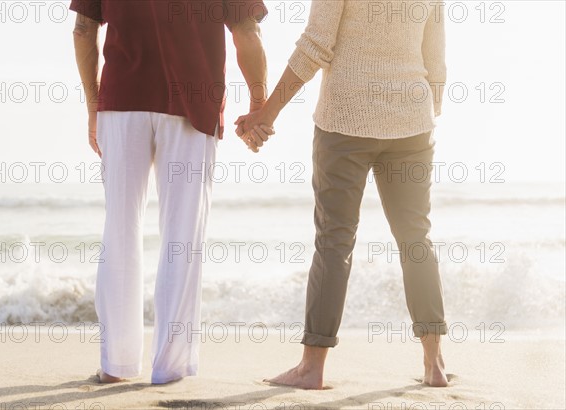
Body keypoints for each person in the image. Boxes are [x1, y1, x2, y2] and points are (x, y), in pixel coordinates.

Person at [236, 0, 449, 389]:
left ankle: (311, 367)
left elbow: (315, 46)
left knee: (335, 241)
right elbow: (435, 61)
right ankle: (434, 365)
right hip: (413, 127)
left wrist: (267, 114)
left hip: (346, 124)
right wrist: (420, 115)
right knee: (416, 238)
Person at [71, 0, 268, 384]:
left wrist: (94, 106)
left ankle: (117, 365)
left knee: (120, 231)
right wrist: (259, 103)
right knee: (183, 238)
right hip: (193, 104)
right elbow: (247, 31)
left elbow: (83, 29)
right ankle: (171, 366)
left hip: (123, 101)